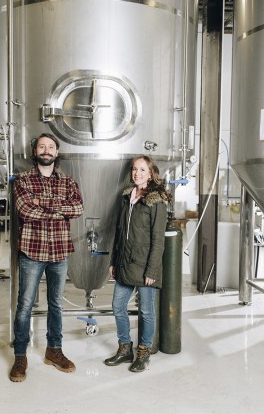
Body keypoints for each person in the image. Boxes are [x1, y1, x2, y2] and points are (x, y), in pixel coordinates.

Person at [9, 133, 84, 383]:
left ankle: (54, 350)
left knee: (56, 304)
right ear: (35, 152)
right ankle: (20, 355)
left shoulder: (68, 181)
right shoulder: (23, 179)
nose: (46, 150)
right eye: (42, 146)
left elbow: (78, 208)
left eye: (51, 146)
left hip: (60, 251)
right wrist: (60, 208)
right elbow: (25, 210)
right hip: (32, 251)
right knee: (25, 305)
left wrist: (43, 204)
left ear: (56, 152)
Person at [105, 155, 170, 372]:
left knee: (146, 312)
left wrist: (152, 270)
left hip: (145, 266)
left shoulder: (156, 201)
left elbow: (158, 240)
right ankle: (125, 349)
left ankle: (143, 352)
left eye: (142, 170)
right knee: (118, 306)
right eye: (134, 169)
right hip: (125, 262)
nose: (137, 173)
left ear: (151, 174)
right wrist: (114, 261)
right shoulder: (127, 197)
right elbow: (119, 232)